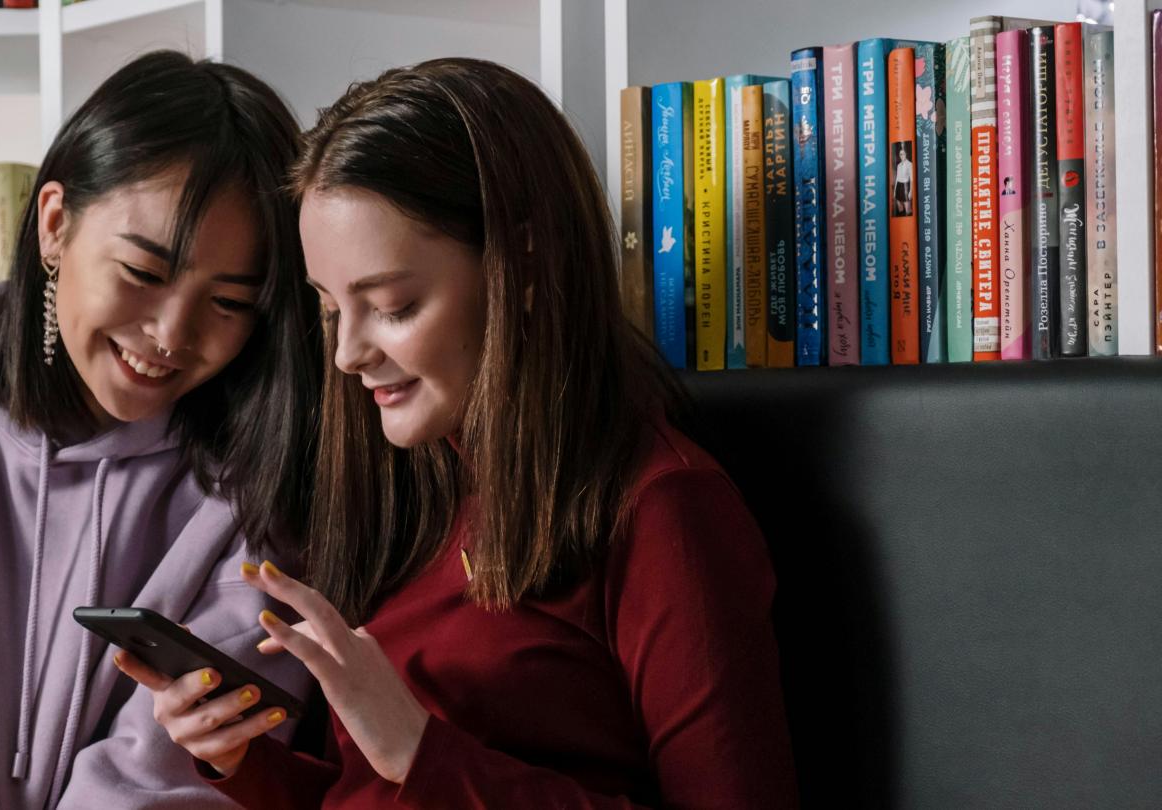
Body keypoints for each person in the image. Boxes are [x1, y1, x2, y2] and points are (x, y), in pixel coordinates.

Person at [118, 57, 800, 808]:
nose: (347, 355)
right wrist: (243, 760)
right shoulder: (414, 486)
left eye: (395, 306)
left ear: (526, 267)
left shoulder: (663, 513)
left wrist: (417, 749)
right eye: (329, 309)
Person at [0, 50, 320, 809]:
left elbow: (172, 775)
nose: (172, 333)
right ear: (53, 225)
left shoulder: (258, 482)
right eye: (142, 273)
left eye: (229, 303)